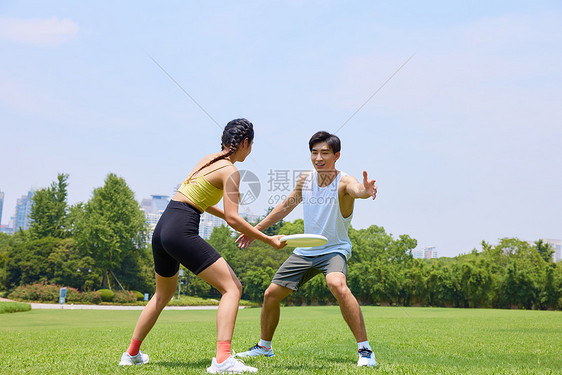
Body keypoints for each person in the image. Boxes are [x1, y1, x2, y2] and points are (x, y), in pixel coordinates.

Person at [119, 118, 286, 374]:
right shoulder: (231, 171)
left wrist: (236, 220)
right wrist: (268, 239)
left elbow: (201, 202)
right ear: (244, 143)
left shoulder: (207, 160)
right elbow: (233, 219)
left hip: (164, 226)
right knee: (232, 287)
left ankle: (131, 354)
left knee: (163, 294)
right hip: (180, 229)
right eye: (251, 145)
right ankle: (222, 360)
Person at [234, 131, 378, 367]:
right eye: (314, 152)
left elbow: (357, 191)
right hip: (306, 249)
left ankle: (365, 351)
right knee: (271, 294)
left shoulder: (345, 181)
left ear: (336, 155)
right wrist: (255, 230)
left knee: (337, 284)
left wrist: (366, 190)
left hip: (333, 249)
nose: (318, 158)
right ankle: (264, 347)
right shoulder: (305, 180)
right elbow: (285, 206)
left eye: (325, 153)